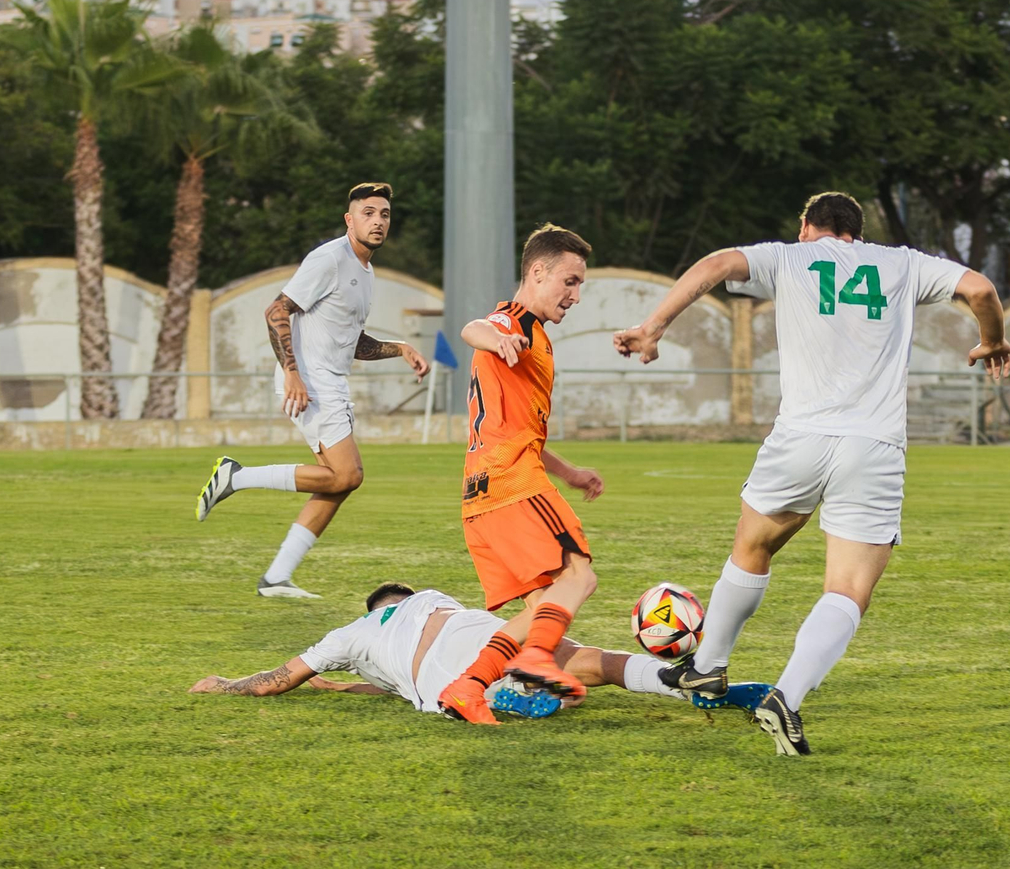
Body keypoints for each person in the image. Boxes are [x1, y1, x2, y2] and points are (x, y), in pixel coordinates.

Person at [613, 191, 1010, 756]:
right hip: (873, 446)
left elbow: (717, 265)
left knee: (753, 547)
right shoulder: (901, 263)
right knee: (849, 589)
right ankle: (787, 698)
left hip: (799, 437)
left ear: (807, 226)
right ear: (857, 231)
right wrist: (992, 340)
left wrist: (654, 325)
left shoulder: (789, 257)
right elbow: (979, 288)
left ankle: (707, 667)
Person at [194, 183, 429, 599]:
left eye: (385, 215)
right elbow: (276, 310)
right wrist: (292, 373)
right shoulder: (329, 258)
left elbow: (354, 341)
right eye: (369, 213)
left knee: (339, 483)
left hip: (330, 381)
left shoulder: (366, 272)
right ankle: (237, 476)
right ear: (349, 219)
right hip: (311, 380)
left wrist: (401, 348)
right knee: (349, 474)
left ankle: (276, 577)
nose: (378, 221)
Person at [433, 223, 608, 725]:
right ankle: (530, 664)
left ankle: (469, 686)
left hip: (480, 493)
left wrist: (569, 471)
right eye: (569, 281)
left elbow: (519, 428)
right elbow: (474, 327)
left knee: (540, 611)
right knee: (579, 574)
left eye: (579, 285)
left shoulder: (539, 339)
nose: (575, 295)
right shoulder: (514, 322)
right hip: (511, 483)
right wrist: (495, 341)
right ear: (537, 271)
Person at [190, 582, 771, 721]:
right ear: (403, 596)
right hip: (481, 638)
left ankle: (507, 693)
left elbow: (277, 678)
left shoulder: (348, 638)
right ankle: (679, 678)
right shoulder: (431, 599)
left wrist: (223, 684)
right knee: (583, 659)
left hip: (432, 681)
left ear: (374, 607)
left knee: (440, 686)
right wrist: (345, 686)